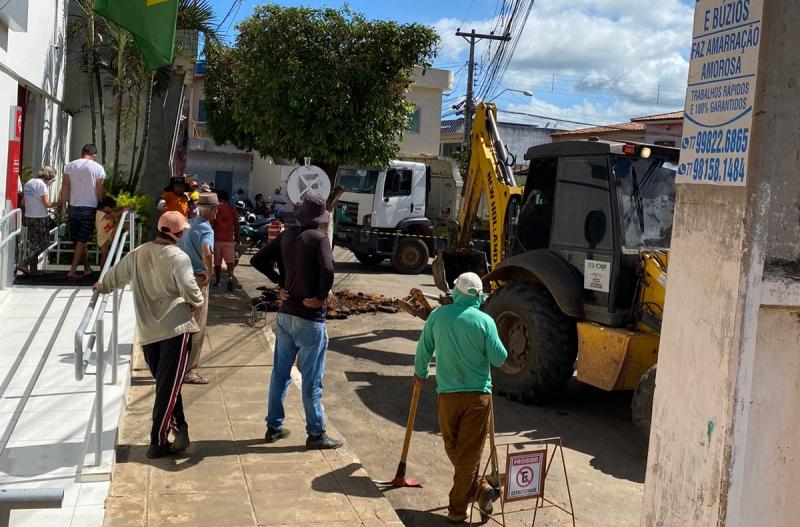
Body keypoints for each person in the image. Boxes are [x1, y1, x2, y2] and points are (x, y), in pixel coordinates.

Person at [94, 211, 204, 458]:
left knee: (167, 385)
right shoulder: (178, 257)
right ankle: (157, 440)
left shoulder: (139, 252)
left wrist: (101, 287)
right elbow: (192, 292)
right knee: (167, 388)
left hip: (148, 332)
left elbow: (115, 275)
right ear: (179, 233)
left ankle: (180, 428)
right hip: (176, 330)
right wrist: (196, 301)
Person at [414, 272, 508, 524]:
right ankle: (481, 489)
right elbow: (499, 358)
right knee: (467, 454)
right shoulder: (485, 321)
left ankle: (457, 509)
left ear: (456, 291)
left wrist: (420, 373)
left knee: (454, 447)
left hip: (447, 396)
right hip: (478, 398)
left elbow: (423, 349)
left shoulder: (438, 316)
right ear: (479, 296)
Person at [251, 194, 342, 450]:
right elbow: (328, 270)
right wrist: (320, 297)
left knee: (280, 374)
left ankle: (274, 426)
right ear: (320, 219)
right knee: (312, 379)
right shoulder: (319, 239)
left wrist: (281, 282)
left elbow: (257, 260)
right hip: (309, 320)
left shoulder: (286, 236)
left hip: (285, 315)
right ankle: (316, 433)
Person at [178, 192, 218, 385]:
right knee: (197, 326)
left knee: (182, 323)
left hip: (181, 277)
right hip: (197, 278)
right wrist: (209, 272)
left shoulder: (187, 224)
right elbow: (207, 251)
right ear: (212, 211)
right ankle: (190, 371)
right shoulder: (206, 229)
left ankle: (176, 366)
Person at [60, 144, 105, 280]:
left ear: (82, 153)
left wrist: (63, 207)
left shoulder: (71, 166)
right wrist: (103, 206)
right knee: (81, 239)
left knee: (79, 240)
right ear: (94, 155)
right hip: (90, 207)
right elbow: (100, 190)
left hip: (74, 206)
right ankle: (72, 271)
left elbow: (65, 188)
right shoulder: (98, 168)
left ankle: (86, 268)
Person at [18, 166, 60, 276]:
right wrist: (60, 203)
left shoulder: (29, 183)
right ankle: (24, 262)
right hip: (40, 217)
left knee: (34, 244)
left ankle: (33, 270)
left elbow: (23, 203)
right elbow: (47, 204)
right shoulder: (42, 186)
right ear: (49, 177)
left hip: (29, 216)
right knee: (45, 242)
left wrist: (33, 205)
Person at [211, 190, 240, 290]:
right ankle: (230, 277)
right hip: (228, 239)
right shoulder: (231, 209)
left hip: (217, 239)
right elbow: (236, 224)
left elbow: (211, 223)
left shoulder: (215, 208)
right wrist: (237, 238)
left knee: (217, 263)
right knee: (230, 262)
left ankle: (218, 281)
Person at [95, 196, 128, 268]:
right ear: (105, 207)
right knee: (105, 255)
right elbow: (109, 216)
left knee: (118, 221)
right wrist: (122, 210)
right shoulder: (99, 213)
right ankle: (102, 271)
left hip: (109, 235)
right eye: (111, 208)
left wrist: (122, 208)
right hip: (103, 237)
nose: (113, 209)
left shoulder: (108, 211)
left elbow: (114, 211)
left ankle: (104, 270)